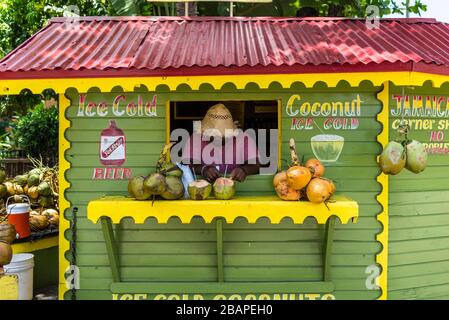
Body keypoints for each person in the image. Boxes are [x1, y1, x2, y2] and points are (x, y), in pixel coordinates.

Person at [182, 103, 260, 183]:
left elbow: (256, 165)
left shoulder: (244, 138)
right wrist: (203, 169)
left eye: (224, 136)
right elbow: (187, 165)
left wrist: (244, 170)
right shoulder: (196, 137)